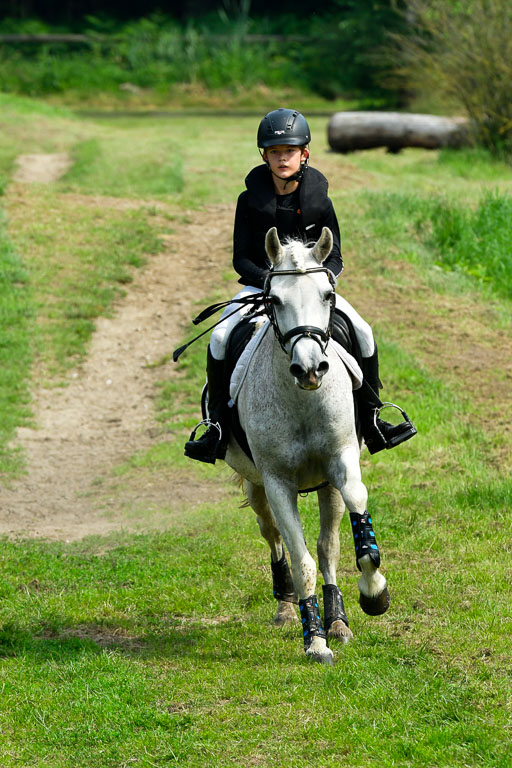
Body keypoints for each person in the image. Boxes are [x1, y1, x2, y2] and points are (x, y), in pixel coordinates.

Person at [185, 108, 416, 464]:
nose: (282, 158)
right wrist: (272, 283)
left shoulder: (320, 199)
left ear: (304, 153)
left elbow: (334, 255)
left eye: (289, 151)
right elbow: (240, 259)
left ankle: (373, 418)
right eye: (275, 152)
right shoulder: (248, 200)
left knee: (363, 331)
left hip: (312, 292)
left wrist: (320, 282)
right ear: (264, 156)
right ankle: (215, 427)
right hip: (262, 288)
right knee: (219, 337)